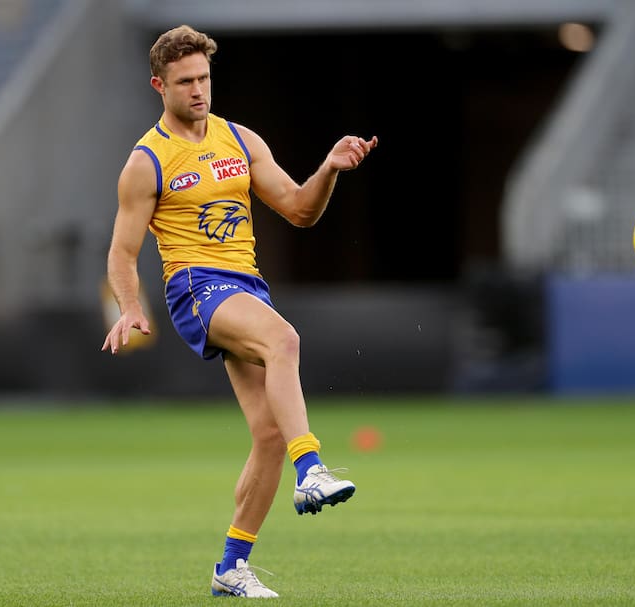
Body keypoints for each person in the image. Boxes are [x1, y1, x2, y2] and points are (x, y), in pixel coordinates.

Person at [101, 24, 378, 599]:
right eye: (185, 82)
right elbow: (122, 253)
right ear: (160, 85)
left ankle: (231, 566)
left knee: (269, 434)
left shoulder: (240, 140)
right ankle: (313, 470)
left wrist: (328, 169)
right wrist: (130, 307)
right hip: (195, 288)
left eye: (204, 77)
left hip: (245, 285)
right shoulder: (146, 162)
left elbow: (300, 211)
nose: (199, 90)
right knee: (285, 342)